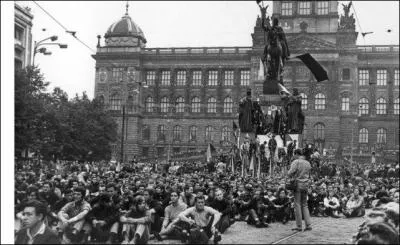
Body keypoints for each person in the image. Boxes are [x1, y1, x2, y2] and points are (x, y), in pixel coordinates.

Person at [288, 149, 312, 232]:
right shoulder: (308, 163)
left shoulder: (296, 162)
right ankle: (308, 225)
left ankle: (299, 226)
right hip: (306, 185)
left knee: (297, 204)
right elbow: (309, 175)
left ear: (297, 154)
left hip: (297, 185)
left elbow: (290, 173)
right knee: (305, 205)